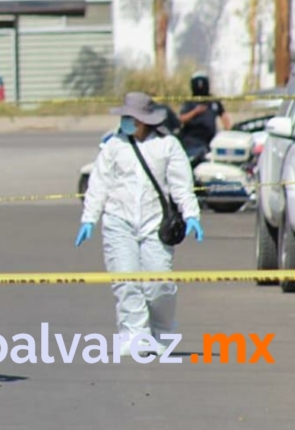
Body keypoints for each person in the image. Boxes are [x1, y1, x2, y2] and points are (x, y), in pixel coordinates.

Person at [76, 92, 204, 357]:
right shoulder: (114, 146)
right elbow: (98, 184)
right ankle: (133, 335)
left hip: (155, 223)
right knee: (125, 279)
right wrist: (89, 218)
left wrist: (191, 214)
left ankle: (163, 330)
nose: (125, 121)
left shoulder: (168, 145)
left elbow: (181, 185)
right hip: (118, 221)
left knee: (158, 282)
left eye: (130, 117)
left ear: (144, 120)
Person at [178, 72, 231, 162]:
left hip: (210, 141)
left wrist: (228, 132)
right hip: (192, 141)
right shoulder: (189, 102)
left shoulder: (213, 101)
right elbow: (181, 119)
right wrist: (195, 112)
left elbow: (224, 116)